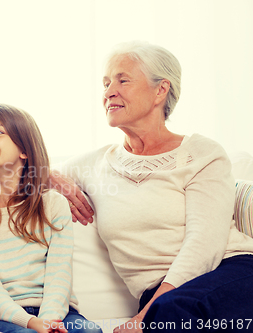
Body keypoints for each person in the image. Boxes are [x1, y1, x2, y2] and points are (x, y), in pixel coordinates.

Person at [51, 41, 253, 333]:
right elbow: (19, 173)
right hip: (161, 299)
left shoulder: (202, 153)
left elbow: (204, 245)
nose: (108, 92)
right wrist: (52, 178)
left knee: (171, 313)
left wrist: (143, 317)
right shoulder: (95, 163)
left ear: (161, 90)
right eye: (106, 83)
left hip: (228, 274)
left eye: (123, 80)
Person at [0, 104, 103, 333]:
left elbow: (59, 274)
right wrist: (30, 323)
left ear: (25, 150)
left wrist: (48, 321)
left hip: (57, 312)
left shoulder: (52, 204)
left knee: (90, 331)